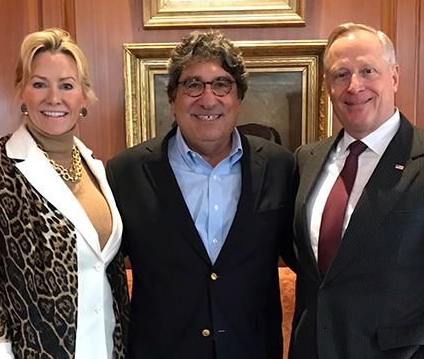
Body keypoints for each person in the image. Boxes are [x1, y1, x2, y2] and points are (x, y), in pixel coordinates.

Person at [289, 23, 424, 359]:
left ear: (394, 76)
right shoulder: (307, 159)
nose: (354, 86)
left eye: (367, 70)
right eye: (340, 74)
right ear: (327, 86)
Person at [106, 30, 296, 359]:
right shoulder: (126, 172)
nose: (208, 99)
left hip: (251, 350)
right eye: (193, 84)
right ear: (173, 98)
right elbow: (103, 274)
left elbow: (306, 259)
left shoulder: (280, 166)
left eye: (221, 84)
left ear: (239, 98)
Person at [0, 28, 128, 359]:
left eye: (67, 85)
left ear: (83, 97)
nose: (53, 98)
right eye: (39, 83)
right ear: (21, 92)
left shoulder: (96, 168)